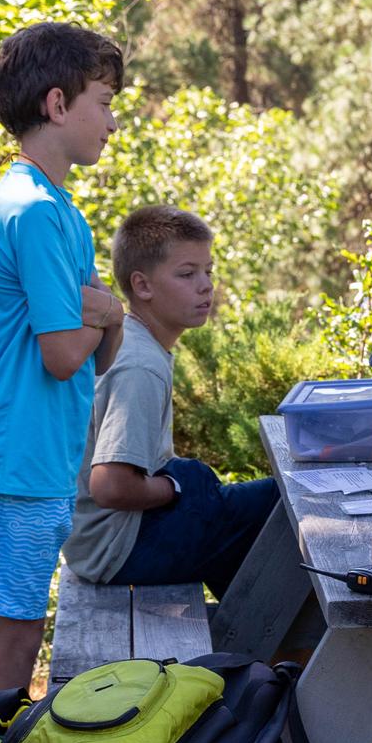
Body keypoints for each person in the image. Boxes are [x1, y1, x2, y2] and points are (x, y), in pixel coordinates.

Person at [0, 22, 126, 707]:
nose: (111, 123)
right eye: (103, 102)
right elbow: (62, 354)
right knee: (15, 638)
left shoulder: (52, 207)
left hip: (37, 453)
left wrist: (102, 315)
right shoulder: (34, 211)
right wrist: (106, 311)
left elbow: (100, 354)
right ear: (57, 103)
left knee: (23, 629)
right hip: (17, 454)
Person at [64, 206, 277, 598]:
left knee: (229, 500)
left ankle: (260, 639)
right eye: (187, 274)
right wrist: (177, 488)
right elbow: (110, 486)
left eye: (208, 271)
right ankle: (280, 645)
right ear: (142, 286)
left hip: (107, 543)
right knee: (277, 502)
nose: (206, 286)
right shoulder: (140, 366)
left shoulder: (135, 342)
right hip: (118, 548)